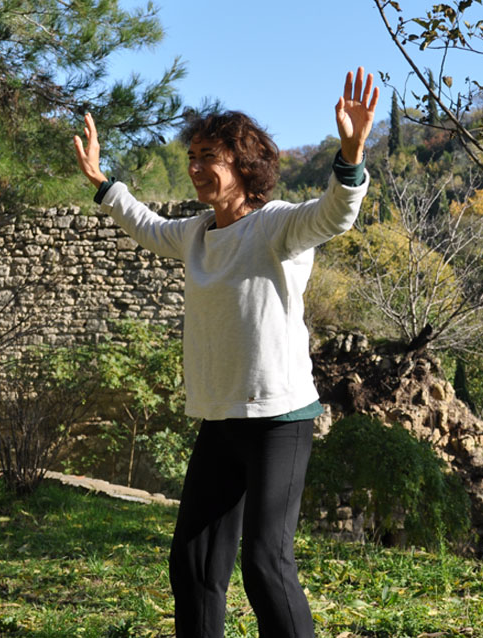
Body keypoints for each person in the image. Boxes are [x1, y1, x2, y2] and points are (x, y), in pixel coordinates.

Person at [73, 68, 379, 638]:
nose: (194, 168)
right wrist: (101, 180)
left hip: (278, 421)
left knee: (266, 565)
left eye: (207, 156)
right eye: (190, 156)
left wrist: (351, 156)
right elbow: (143, 224)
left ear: (243, 163)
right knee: (193, 565)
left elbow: (333, 215)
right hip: (220, 419)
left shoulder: (275, 226)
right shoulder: (194, 234)